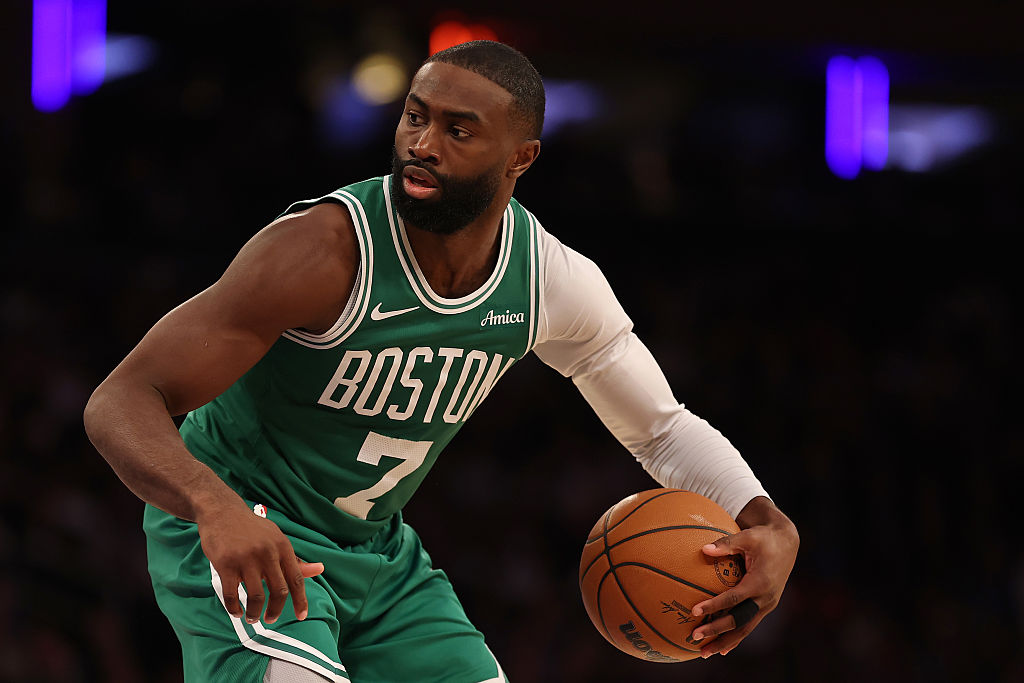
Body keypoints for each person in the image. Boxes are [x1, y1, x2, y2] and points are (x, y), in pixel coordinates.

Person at [84, 40, 799, 682]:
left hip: (378, 554)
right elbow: (121, 397)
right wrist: (214, 506)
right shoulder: (321, 253)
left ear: (522, 157)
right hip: (249, 526)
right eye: (415, 117)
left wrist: (767, 521)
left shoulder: (548, 280)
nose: (422, 144)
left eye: (458, 130)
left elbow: (660, 430)